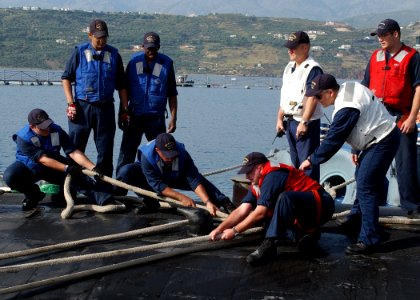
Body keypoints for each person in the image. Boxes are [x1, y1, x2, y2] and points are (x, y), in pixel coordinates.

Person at [299, 74, 400, 254]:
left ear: (330, 92)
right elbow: (363, 117)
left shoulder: (346, 107)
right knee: (362, 176)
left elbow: (333, 140)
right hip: (375, 137)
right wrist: (356, 149)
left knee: (366, 185)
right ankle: (356, 219)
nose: (316, 100)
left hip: (382, 139)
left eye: (318, 96)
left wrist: (311, 160)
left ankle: (369, 239)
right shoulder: (348, 87)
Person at [209, 152, 335, 265]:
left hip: (322, 205)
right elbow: (242, 209)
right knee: (270, 220)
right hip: (302, 213)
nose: (247, 177)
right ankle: (305, 236)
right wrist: (220, 229)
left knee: (285, 198)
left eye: (249, 172)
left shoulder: (272, 175)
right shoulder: (257, 184)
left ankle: (270, 245)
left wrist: (235, 231)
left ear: (259, 168)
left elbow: (260, 212)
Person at [361, 19, 420, 218]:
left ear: (396, 34)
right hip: (377, 117)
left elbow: (419, 88)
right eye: (378, 36)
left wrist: (412, 118)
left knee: (405, 164)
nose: (380, 39)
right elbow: (365, 90)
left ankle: (411, 209)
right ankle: (367, 206)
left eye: (384, 35)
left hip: (401, 116)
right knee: (369, 163)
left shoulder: (412, 57)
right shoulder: (375, 57)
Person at [3, 109, 115, 211]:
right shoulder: (23, 138)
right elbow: (43, 159)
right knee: (10, 176)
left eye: (48, 124)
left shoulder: (56, 130)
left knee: (78, 178)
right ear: (32, 127)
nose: (47, 129)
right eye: (42, 127)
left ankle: (104, 199)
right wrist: (67, 168)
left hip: (52, 165)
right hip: (29, 167)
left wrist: (92, 167)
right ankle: (34, 195)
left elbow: (73, 152)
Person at [61, 19, 128, 178]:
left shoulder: (114, 55)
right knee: (75, 150)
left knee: (105, 152)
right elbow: (66, 78)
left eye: (104, 37)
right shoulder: (79, 52)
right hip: (82, 107)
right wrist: (70, 103)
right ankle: (72, 188)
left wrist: (125, 110)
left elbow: (122, 86)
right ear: (90, 35)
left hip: (105, 109)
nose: (101, 40)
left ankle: (103, 191)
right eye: (98, 37)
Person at [117, 133, 235, 216]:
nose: (170, 157)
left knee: (199, 180)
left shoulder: (182, 153)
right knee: (126, 171)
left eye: (173, 154)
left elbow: (193, 179)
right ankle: (150, 203)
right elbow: (157, 184)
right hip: (154, 179)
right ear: (157, 151)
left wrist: (207, 202)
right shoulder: (147, 156)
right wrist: (182, 197)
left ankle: (224, 202)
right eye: (166, 155)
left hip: (175, 175)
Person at [115, 32, 178, 179]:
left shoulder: (167, 64)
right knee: (126, 153)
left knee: (160, 154)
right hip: (134, 115)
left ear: (158, 47)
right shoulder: (133, 62)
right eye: (148, 48)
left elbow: (172, 94)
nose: (151, 51)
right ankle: (119, 187)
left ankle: (159, 189)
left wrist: (173, 118)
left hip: (156, 118)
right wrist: (123, 112)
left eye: (154, 49)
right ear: (143, 46)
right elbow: (124, 89)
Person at [276, 31, 324, 181]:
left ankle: (310, 199)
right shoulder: (289, 67)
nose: (290, 51)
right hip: (290, 121)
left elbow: (312, 97)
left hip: (305, 123)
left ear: (305, 48)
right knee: (296, 165)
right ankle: (298, 197)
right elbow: (286, 96)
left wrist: (304, 122)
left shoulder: (312, 68)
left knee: (307, 164)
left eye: (293, 47)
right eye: (289, 48)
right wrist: (279, 118)